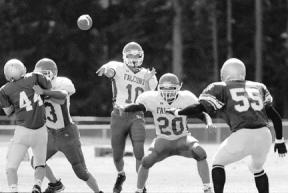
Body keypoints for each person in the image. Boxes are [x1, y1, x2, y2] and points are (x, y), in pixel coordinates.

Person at [166, 58, 287, 193]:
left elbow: (199, 107)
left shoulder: (220, 87)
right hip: (265, 135)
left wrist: (178, 112)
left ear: (225, 74)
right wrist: (280, 141)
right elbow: (275, 115)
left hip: (242, 134)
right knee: (257, 168)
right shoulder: (259, 87)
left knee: (217, 163)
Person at [124, 73, 214, 193]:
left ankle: (207, 188)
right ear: (158, 88)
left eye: (171, 88)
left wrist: (209, 122)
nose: (167, 92)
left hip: (182, 138)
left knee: (200, 152)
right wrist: (124, 108)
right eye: (164, 88)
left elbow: (201, 114)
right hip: (163, 140)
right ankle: (139, 190)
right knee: (146, 161)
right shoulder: (152, 98)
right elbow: (138, 106)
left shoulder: (186, 98)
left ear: (178, 87)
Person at [31, 58, 103, 193]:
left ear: (53, 74)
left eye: (44, 74)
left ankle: (99, 192)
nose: (42, 77)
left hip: (67, 133)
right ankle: (55, 184)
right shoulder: (34, 88)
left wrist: (44, 93)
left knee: (81, 171)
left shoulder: (61, 83)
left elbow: (62, 97)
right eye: (39, 74)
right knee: (36, 162)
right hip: (49, 134)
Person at [96, 42, 158, 193]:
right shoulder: (118, 67)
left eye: (137, 55)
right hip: (118, 115)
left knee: (139, 151)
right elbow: (110, 71)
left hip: (137, 115)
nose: (134, 58)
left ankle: (141, 186)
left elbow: (150, 95)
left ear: (142, 56)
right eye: (130, 55)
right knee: (117, 155)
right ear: (124, 56)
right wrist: (106, 70)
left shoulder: (148, 74)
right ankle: (121, 175)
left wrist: (148, 80)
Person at [0, 59, 52, 193]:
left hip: (23, 131)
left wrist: (16, 100)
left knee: (11, 167)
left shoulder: (4, 90)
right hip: (40, 129)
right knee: (40, 163)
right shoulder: (34, 76)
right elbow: (48, 88)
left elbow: (8, 111)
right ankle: (37, 185)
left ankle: (13, 189)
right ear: (22, 69)